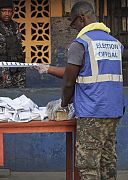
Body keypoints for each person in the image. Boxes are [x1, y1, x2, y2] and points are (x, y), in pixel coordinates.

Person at [46, 1, 124, 179]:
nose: (73, 28)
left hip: (92, 112)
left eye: (73, 23)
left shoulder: (81, 43)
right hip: (114, 110)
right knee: (107, 161)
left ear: (81, 18)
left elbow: (69, 81)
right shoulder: (115, 43)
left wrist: (64, 104)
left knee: (88, 165)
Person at [0, 0, 26, 88]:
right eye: (4, 11)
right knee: (4, 94)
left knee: (21, 93)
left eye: (9, 11)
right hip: (3, 68)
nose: (7, 14)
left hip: (18, 66)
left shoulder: (16, 25)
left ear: (13, 12)